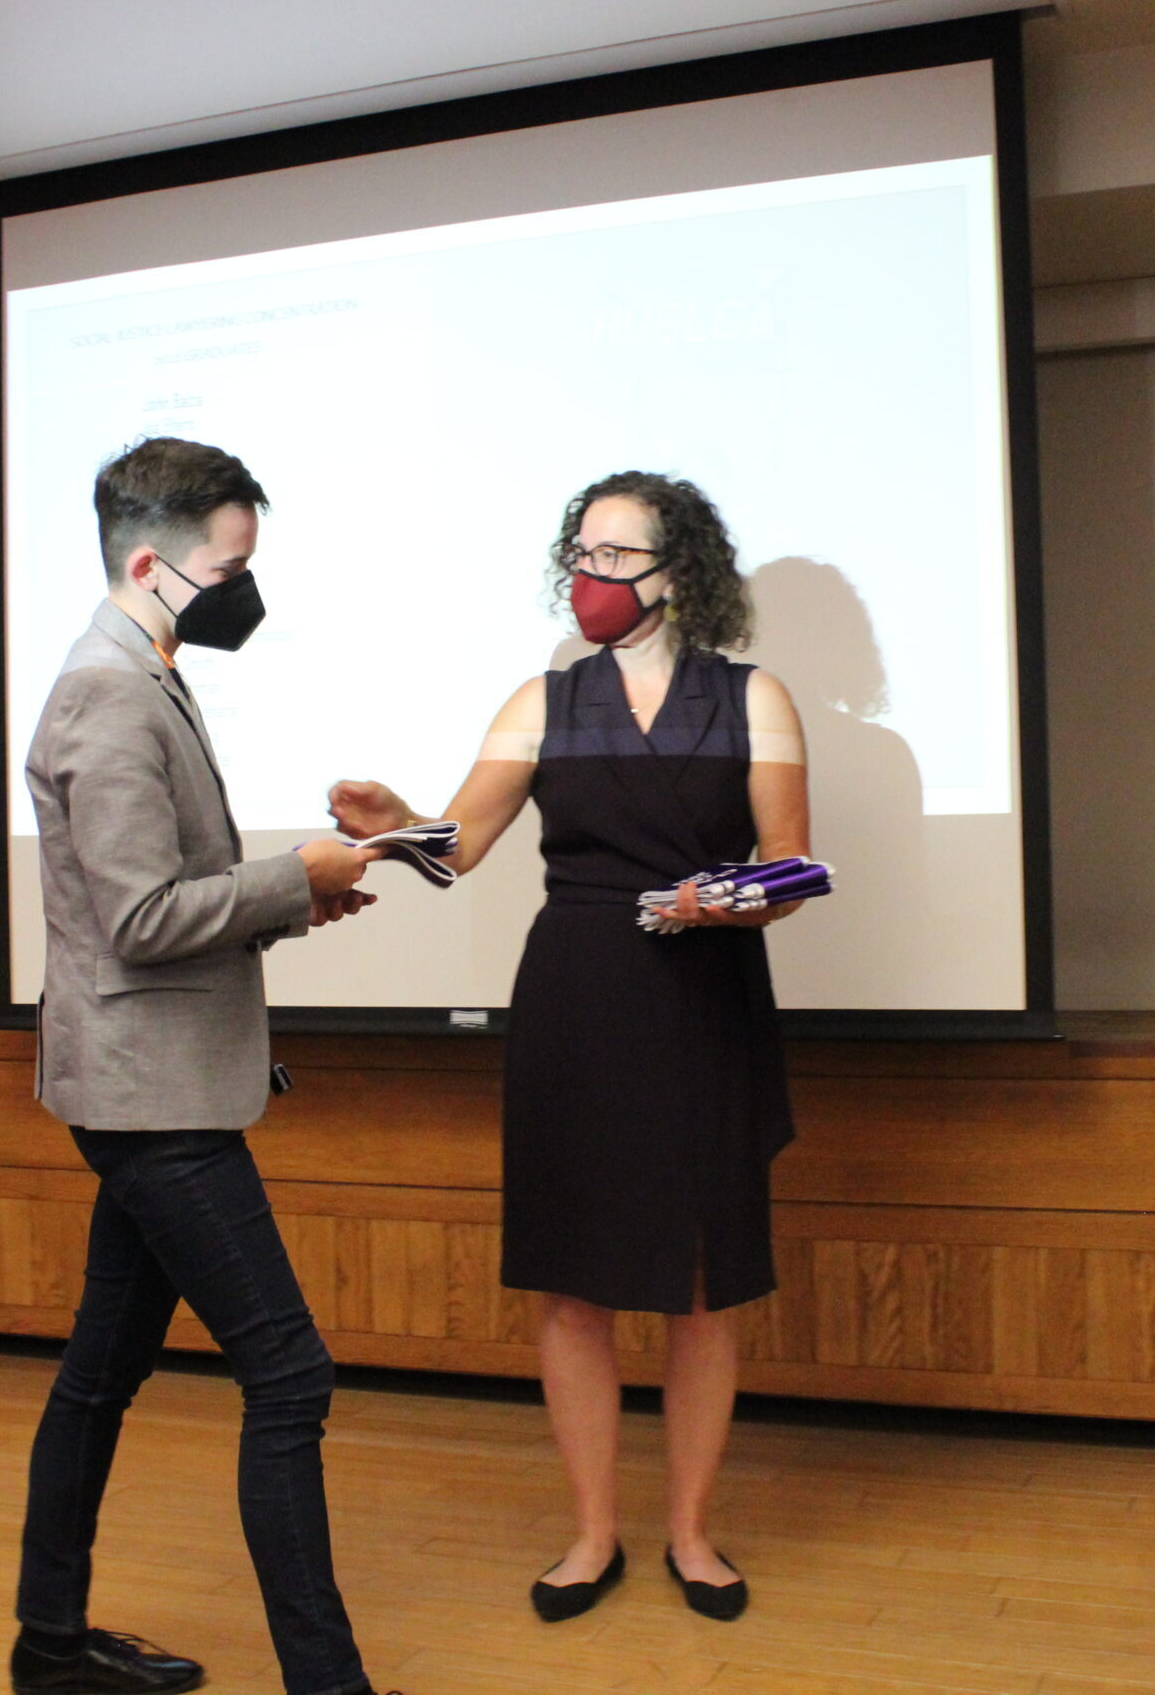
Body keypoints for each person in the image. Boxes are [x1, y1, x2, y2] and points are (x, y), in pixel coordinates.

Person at [330, 471, 807, 1625]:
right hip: (577, 997)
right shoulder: (540, 700)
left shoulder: (755, 697)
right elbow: (457, 849)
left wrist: (723, 899)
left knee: (700, 1288)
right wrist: (396, 827)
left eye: (614, 556)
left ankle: (691, 1535)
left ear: (674, 571)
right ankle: (591, 1534)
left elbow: (793, 867)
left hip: (704, 994)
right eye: (580, 554)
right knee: (571, 1283)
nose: (590, 576)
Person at [15, 437, 397, 1695]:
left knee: (99, 1374)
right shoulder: (108, 694)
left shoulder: (142, 672)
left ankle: (51, 1649)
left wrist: (295, 901)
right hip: (150, 1098)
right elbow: (136, 918)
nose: (243, 589)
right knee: (289, 1374)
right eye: (228, 566)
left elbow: (167, 894)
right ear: (148, 562)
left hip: (144, 1082)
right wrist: (298, 875)